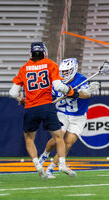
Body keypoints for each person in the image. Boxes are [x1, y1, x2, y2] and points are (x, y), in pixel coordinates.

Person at [9, 42, 79, 179]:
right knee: (59, 137)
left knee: (29, 139)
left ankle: (37, 165)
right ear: (44, 52)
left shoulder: (24, 68)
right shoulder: (50, 64)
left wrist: (21, 99)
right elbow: (59, 86)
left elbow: (12, 93)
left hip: (30, 107)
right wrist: (71, 91)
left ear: (31, 53)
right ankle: (62, 164)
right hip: (47, 106)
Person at [38, 58, 100, 178]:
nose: (65, 74)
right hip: (62, 113)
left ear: (74, 69)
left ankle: (51, 169)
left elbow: (86, 95)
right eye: (63, 71)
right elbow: (49, 96)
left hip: (78, 116)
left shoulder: (81, 80)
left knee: (69, 142)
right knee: (58, 138)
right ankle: (44, 155)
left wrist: (76, 93)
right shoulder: (57, 80)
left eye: (68, 71)